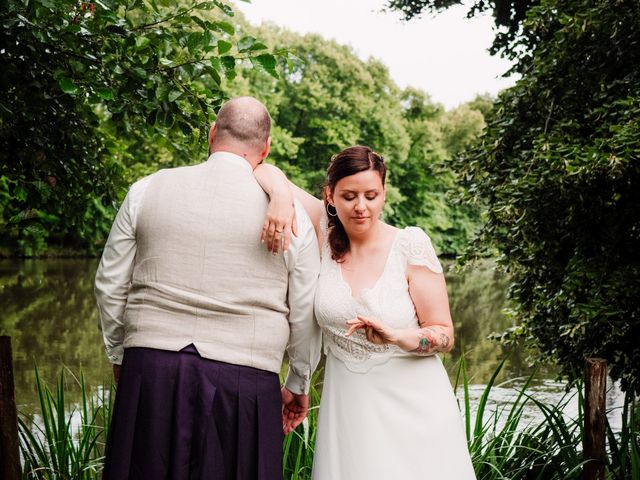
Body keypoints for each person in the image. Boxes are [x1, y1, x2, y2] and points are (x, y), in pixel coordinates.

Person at [94, 96, 321, 480]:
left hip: (151, 367)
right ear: (265, 149)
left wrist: (120, 355)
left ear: (212, 133)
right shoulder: (290, 215)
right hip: (245, 381)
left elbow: (110, 284)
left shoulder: (146, 190)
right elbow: (303, 307)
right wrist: (298, 380)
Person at [254, 145, 476, 479]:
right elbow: (261, 168)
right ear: (329, 196)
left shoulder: (410, 244)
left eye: (371, 196)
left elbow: (444, 334)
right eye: (349, 196)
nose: (361, 207)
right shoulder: (322, 235)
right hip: (350, 411)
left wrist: (398, 336)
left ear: (384, 194)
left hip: (415, 408)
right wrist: (281, 201)